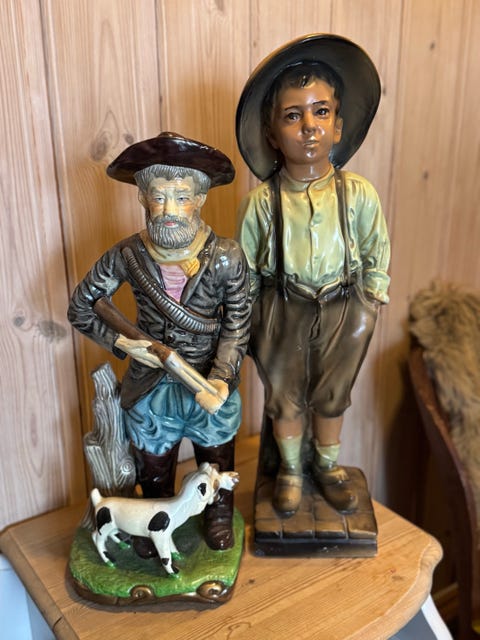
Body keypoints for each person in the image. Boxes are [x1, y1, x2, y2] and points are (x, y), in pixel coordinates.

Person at [68, 132, 251, 551]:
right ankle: (149, 519)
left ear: (199, 200)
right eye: (159, 197)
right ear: (143, 198)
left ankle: (218, 514)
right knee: (154, 462)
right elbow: (81, 307)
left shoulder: (227, 257)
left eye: (181, 198)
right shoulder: (127, 255)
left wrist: (221, 378)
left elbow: (238, 324)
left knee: (216, 455)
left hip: (205, 379)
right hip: (151, 386)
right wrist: (121, 343)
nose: (169, 210)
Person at [236, 35, 390, 516]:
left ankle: (326, 465)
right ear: (272, 133)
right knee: (285, 397)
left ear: (338, 126)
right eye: (292, 115)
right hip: (282, 309)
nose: (308, 127)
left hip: (345, 309)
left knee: (332, 394)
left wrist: (370, 299)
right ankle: (289, 470)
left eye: (321, 112)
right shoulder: (263, 203)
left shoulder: (357, 193)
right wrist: (248, 318)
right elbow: (244, 268)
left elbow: (376, 249)